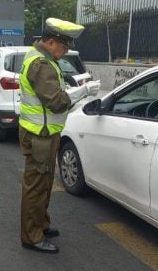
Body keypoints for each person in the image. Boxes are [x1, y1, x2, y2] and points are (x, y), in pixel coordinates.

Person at [19, 18, 99, 254]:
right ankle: (31, 236)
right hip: (39, 136)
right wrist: (83, 91)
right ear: (51, 42)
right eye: (63, 47)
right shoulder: (41, 64)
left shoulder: (38, 56)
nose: (65, 52)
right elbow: (55, 101)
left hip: (44, 134)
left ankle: (41, 225)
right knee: (36, 187)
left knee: (44, 184)